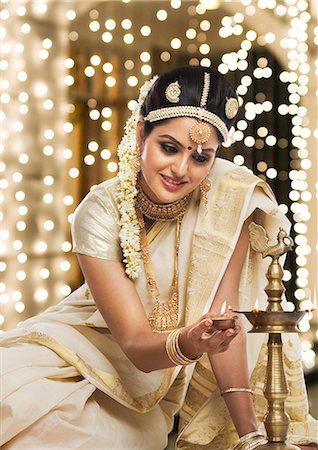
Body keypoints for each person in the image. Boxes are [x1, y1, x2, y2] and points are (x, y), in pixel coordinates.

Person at [1, 66, 317, 450]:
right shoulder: (100, 210)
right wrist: (189, 341)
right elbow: (134, 342)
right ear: (140, 134)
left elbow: (225, 321)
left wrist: (250, 435)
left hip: (140, 392)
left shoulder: (229, 200)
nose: (181, 170)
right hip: (70, 351)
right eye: (168, 147)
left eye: (201, 157)